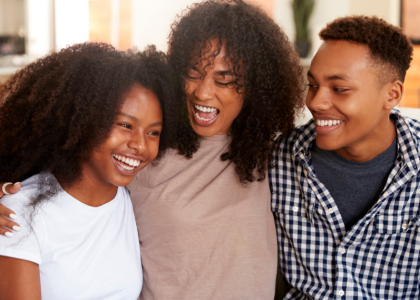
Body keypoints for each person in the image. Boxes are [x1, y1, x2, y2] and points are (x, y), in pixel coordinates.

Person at [0, 1, 304, 299]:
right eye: (193, 73)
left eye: (225, 80)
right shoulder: (146, 155)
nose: (203, 91)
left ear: (257, 87)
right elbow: (56, 162)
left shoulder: (274, 157)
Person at [0, 42, 177, 300]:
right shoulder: (20, 211)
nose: (140, 145)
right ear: (84, 119)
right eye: (125, 125)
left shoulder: (131, 199)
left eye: (153, 132)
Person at [270, 16, 419, 299]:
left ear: (392, 94)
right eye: (312, 85)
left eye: (339, 89)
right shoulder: (279, 160)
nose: (315, 102)